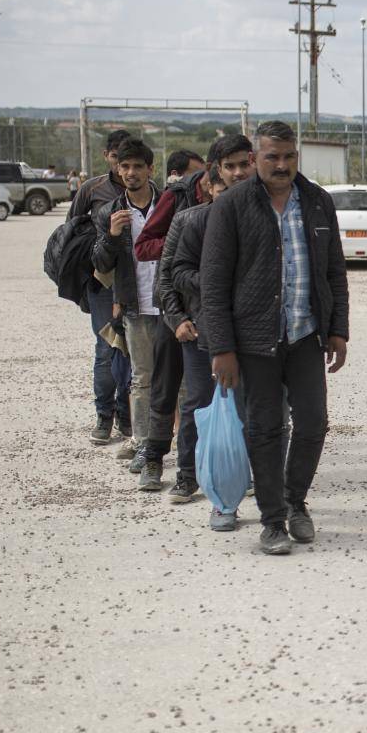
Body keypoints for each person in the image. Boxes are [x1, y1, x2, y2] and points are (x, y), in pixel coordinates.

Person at [199, 120, 349, 556]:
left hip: (305, 335)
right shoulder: (232, 206)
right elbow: (213, 283)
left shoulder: (318, 202)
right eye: (272, 157)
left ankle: (294, 500)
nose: (281, 165)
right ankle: (272, 522)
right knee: (264, 429)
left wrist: (338, 329)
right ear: (254, 159)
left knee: (313, 423)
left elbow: (334, 272)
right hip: (253, 342)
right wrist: (222, 348)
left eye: (289, 156)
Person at [149, 135, 256, 508]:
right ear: (210, 186)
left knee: (247, 405)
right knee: (198, 405)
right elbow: (168, 276)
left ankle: (242, 473)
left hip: (247, 332)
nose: (231, 188)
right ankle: (187, 476)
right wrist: (177, 318)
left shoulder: (259, 220)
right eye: (223, 183)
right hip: (198, 330)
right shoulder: (189, 222)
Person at [91, 138, 163, 483]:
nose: (130, 172)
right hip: (135, 308)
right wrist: (110, 235)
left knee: (179, 383)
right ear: (117, 170)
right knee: (142, 379)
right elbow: (100, 264)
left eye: (137, 166)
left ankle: (180, 447)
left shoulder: (169, 205)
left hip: (170, 306)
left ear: (151, 169)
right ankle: (144, 444)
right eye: (124, 167)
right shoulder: (111, 212)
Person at [70, 128, 134, 448]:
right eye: (117, 158)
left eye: (130, 160)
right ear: (107, 157)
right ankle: (104, 416)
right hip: (101, 283)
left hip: (135, 284)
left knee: (133, 349)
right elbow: (72, 233)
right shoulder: (91, 189)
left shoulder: (150, 190)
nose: (124, 167)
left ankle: (127, 415)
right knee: (107, 348)